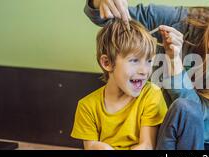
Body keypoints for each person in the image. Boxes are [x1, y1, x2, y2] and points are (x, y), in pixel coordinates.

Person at [85, 0, 209, 150]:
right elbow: (111, 18)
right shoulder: (182, 20)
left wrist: (175, 64)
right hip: (167, 137)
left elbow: (193, 115)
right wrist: (100, 2)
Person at [71, 19, 167, 150]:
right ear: (107, 63)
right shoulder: (86, 107)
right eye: (134, 60)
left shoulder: (151, 94)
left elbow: (147, 146)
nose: (144, 71)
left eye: (149, 61)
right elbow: (90, 146)